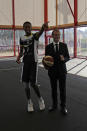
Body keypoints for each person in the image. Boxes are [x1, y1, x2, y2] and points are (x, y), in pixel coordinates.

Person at [16, 21, 48, 112]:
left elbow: (40, 32)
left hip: (33, 62)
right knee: (26, 85)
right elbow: (22, 51)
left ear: (31, 27)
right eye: (25, 27)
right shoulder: (22, 38)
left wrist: (42, 27)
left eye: (29, 27)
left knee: (33, 83)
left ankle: (40, 99)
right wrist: (18, 57)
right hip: (25, 62)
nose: (27, 28)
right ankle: (29, 102)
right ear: (23, 28)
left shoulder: (34, 36)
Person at [45, 28, 70, 115]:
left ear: (60, 36)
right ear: (52, 36)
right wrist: (46, 65)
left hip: (62, 71)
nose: (57, 36)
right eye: (55, 35)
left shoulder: (64, 45)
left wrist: (64, 59)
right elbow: (46, 59)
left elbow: (68, 57)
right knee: (53, 89)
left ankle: (63, 107)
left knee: (63, 90)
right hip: (52, 72)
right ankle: (54, 105)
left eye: (58, 35)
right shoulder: (48, 47)